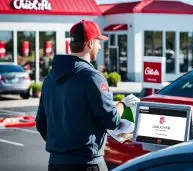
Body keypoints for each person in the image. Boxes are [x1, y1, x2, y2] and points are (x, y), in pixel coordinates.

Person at [35, 20, 140, 171]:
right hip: (87, 163)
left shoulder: (50, 79)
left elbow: (40, 122)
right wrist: (123, 104)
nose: (99, 46)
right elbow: (112, 121)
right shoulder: (93, 78)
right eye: (98, 42)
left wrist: (62, 148)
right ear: (90, 44)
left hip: (56, 163)